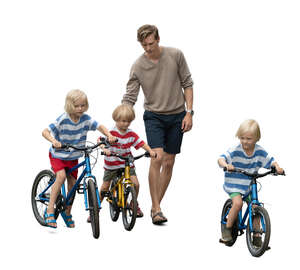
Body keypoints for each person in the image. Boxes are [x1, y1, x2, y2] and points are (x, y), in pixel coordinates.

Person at [122, 24, 194, 225]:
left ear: (158, 39)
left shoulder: (175, 55)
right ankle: (157, 208)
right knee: (157, 157)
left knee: (169, 162)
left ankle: (155, 206)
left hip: (177, 115)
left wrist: (189, 113)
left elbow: (187, 83)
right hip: (154, 116)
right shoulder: (138, 66)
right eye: (144, 45)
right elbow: (130, 96)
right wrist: (122, 119)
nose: (148, 48)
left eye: (151, 43)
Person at [42, 89, 115, 228]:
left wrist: (109, 135)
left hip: (74, 156)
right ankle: (50, 209)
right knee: (61, 176)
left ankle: (67, 212)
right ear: (70, 105)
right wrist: (53, 141)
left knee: (73, 185)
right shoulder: (63, 119)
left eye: (83, 105)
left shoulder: (86, 119)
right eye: (77, 106)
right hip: (58, 155)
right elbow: (45, 131)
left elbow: (100, 126)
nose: (80, 108)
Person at [218, 119, 284, 244]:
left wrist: (277, 168)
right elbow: (221, 158)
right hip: (234, 184)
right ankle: (227, 228)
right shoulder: (235, 150)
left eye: (249, 139)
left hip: (248, 184)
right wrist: (226, 165)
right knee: (237, 204)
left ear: (256, 139)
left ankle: (257, 237)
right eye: (242, 138)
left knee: (256, 207)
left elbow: (271, 161)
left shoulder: (259, 151)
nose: (245, 141)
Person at [99, 104, 157, 217]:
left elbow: (141, 143)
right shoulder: (110, 132)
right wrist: (104, 148)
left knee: (136, 184)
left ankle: (133, 203)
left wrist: (150, 151)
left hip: (126, 163)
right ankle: (96, 209)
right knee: (105, 187)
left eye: (129, 121)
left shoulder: (131, 134)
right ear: (116, 119)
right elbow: (100, 141)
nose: (126, 124)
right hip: (111, 164)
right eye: (123, 121)